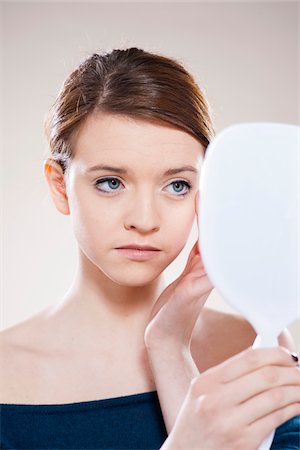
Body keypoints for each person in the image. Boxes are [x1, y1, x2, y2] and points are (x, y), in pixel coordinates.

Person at [0, 47, 299, 449]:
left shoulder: (255, 344)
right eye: (110, 182)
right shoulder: (7, 372)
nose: (144, 219)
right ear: (60, 186)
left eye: (177, 185)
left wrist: (170, 347)